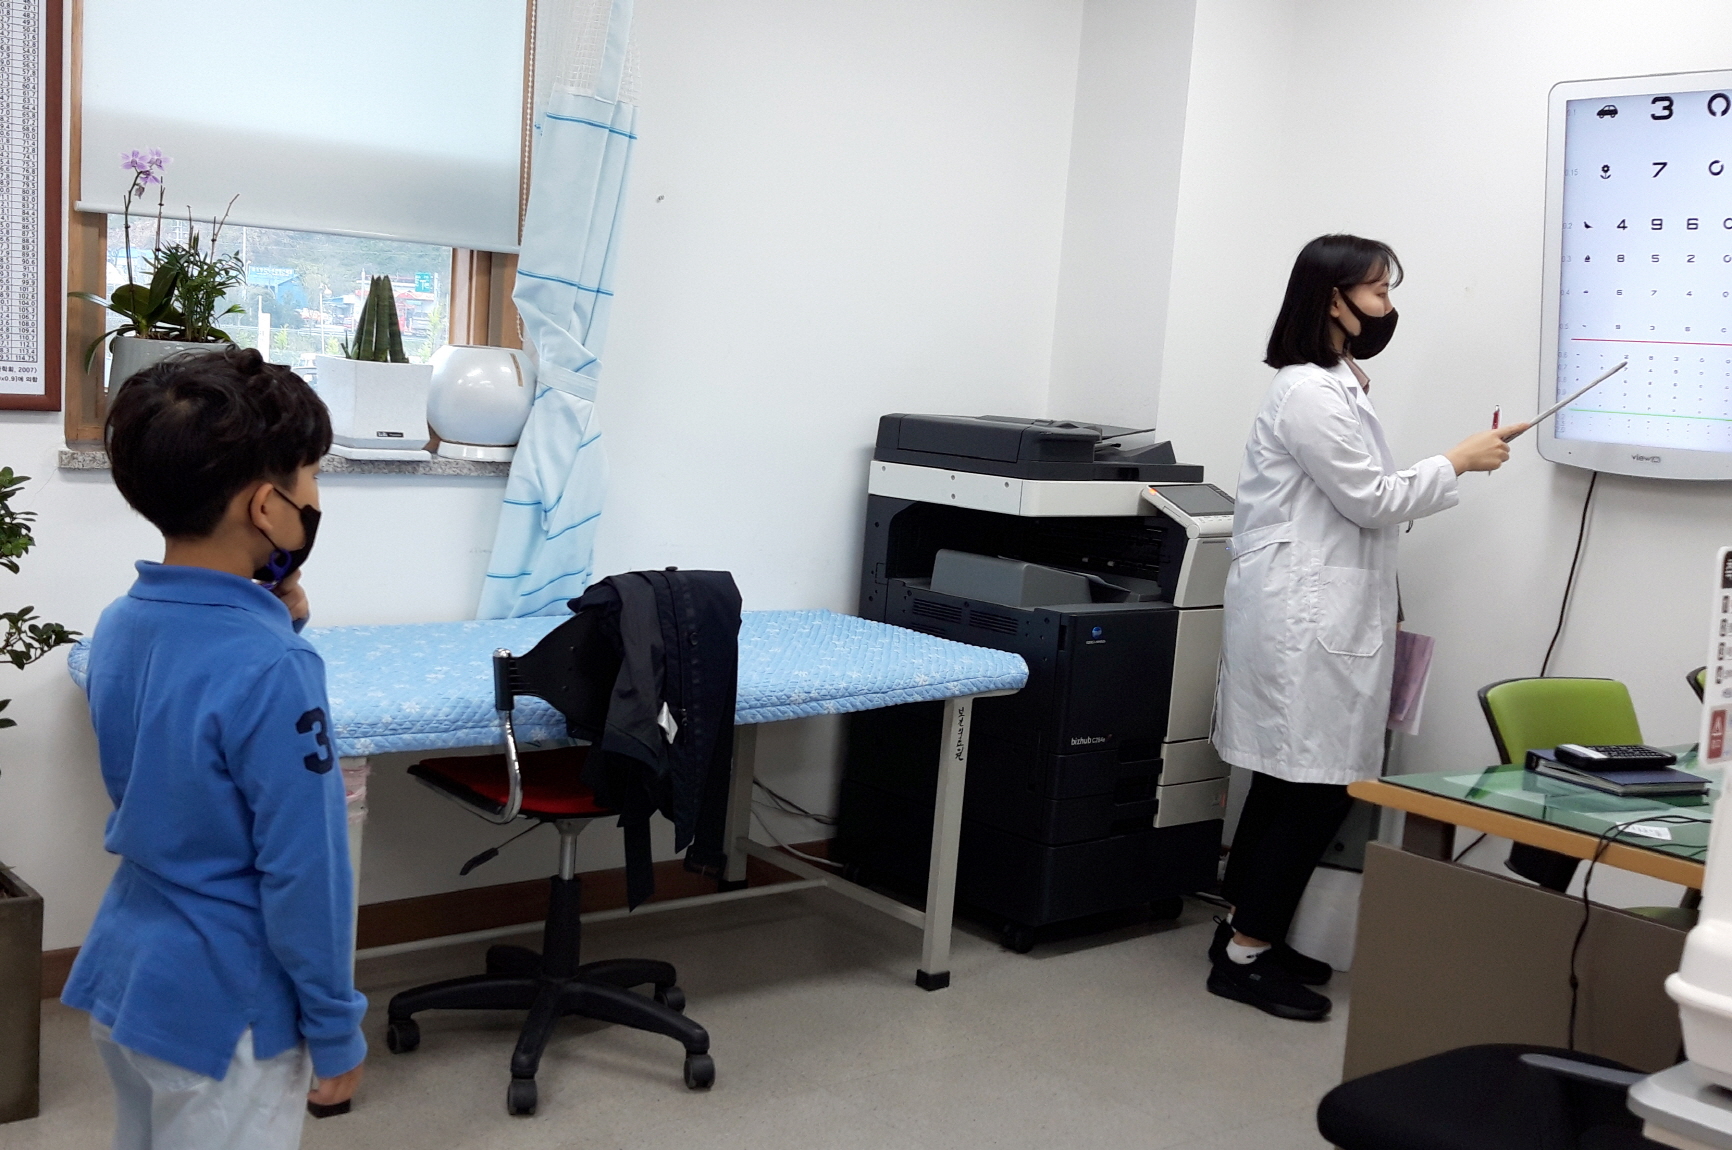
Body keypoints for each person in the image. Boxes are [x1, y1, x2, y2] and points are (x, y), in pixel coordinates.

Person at [1207, 235, 1525, 1021]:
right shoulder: (1308, 393)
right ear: (1333, 299)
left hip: (1318, 612)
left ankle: (1244, 934)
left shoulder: (1337, 385)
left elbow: (1358, 505)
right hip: (1302, 623)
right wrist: (1458, 461)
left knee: (1290, 783)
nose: (1388, 305)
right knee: (1310, 791)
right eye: (1378, 291)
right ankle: (1245, 954)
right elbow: (1371, 499)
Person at [61, 346, 366, 1149]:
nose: (315, 497)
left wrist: (277, 618)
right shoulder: (276, 668)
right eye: (311, 477)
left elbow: (185, 755)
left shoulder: (121, 622)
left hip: (131, 974)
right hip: (228, 1010)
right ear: (267, 507)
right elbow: (307, 870)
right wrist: (336, 1027)